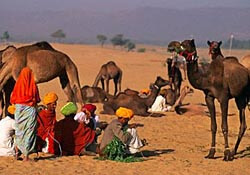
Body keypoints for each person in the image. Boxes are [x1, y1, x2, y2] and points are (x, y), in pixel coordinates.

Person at [10, 67, 41, 161]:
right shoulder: (33, 85)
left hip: (19, 109)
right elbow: (37, 98)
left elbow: (13, 98)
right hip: (30, 108)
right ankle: (26, 156)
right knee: (29, 131)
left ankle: (16, 152)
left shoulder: (18, 85)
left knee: (19, 130)